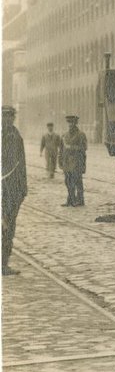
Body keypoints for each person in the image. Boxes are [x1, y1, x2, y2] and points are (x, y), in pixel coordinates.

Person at [2, 106, 28, 276]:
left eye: (11, 117)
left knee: (9, 226)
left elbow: (22, 162)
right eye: (5, 116)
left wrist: (23, 186)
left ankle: (3, 263)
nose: (8, 119)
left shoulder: (16, 135)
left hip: (12, 187)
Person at [60, 115, 88, 208]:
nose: (70, 125)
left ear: (76, 123)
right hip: (67, 162)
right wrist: (60, 161)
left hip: (77, 161)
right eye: (69, 123)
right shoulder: (64, 135)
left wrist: (72, 148)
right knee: (68, 181)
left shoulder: (81, 135)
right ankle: (70, 200)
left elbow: (84, 148)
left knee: (77, 181)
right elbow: (61, 149)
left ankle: (80, 200)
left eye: (72, 123)